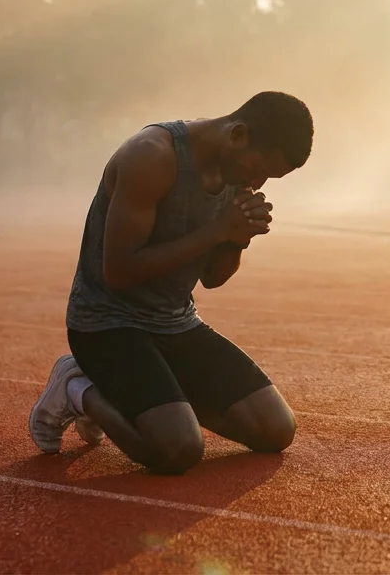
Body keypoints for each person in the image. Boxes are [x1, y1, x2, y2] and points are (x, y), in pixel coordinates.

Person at [27, 91, 313, 473]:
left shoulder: (234, 171)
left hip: (176, 322)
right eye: (258, 169)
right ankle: (79, 390)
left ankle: (150, 393)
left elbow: (212, 279)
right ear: (238, 134)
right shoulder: (153, 156)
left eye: (269, 178)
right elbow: (120, 272)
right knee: (178, 450)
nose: (258, 181)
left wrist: (238, 238)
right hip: (107, 322)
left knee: (276, 431)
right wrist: (216, 230)